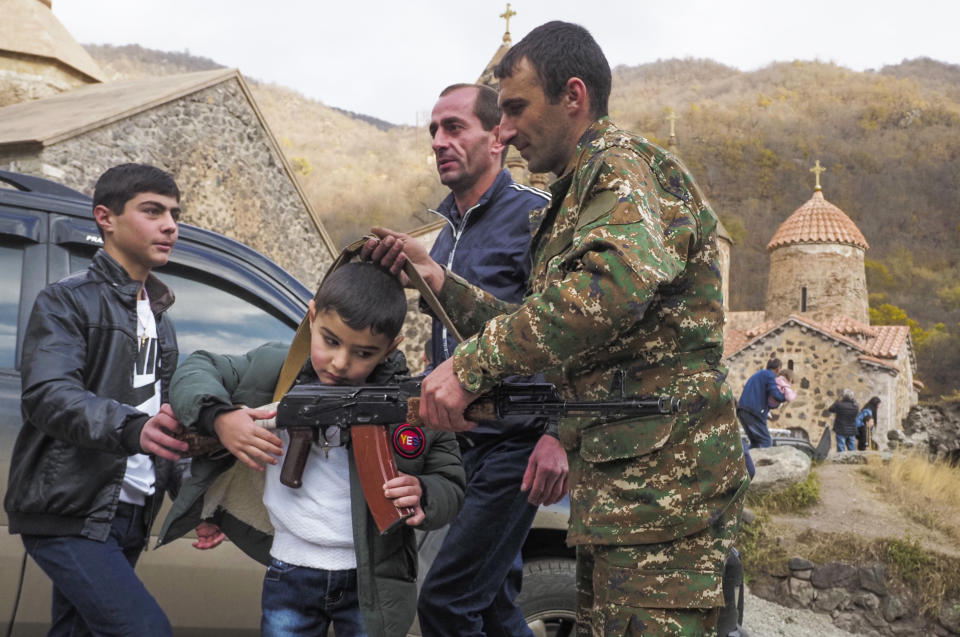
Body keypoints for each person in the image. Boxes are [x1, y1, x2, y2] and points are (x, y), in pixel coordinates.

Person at [364, 21, 748, 637]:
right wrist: (439, 283)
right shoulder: (576, 193)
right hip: (621, 493)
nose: (506, 129)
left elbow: (607, 291)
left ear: (574, 96)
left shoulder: (620, 168)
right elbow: (554, 327)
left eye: (515, 108)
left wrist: (467, 369)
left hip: (664, 498)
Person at [157, 262, 465, 637]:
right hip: (291, 569)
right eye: (330, 341)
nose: (340, 363)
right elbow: (197, 369)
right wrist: (221, 419)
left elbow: (450, 480)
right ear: (312, 314)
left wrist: (425, 494)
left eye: (364, 353)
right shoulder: (276, 370)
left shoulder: (411, 402)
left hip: (374, 581)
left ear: (390, 349)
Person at [4, 163, 189, 637]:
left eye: (174, 213)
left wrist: (196, 504)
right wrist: (130, 428)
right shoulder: (66, 301)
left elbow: (165, 421)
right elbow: (49, 395)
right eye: (152, 211)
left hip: (128, 511)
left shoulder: (159, 318)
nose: (170, 224)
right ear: (105, 217)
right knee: (146, 630)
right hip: (71, 510)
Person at [414, 83, 567, 637]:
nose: (438, 141)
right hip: (463, 447)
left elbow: (570, 334)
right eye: (434, 130)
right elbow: (446, 349)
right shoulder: (441, 238)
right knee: (497, 605)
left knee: (446, 602)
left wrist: (558, 433)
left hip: (517, 445)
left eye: (454, 127)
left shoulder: (538, 219)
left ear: (498, 135)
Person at [737, 358, 787, 448]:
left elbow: (768, 400)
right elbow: (775, 394)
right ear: (778, 368)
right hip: (753, 412)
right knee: (766, 442)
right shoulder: (769, 375)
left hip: (743, 411)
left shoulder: (760, 375)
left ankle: (747, 460)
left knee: (755, 443)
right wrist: (785, 396)